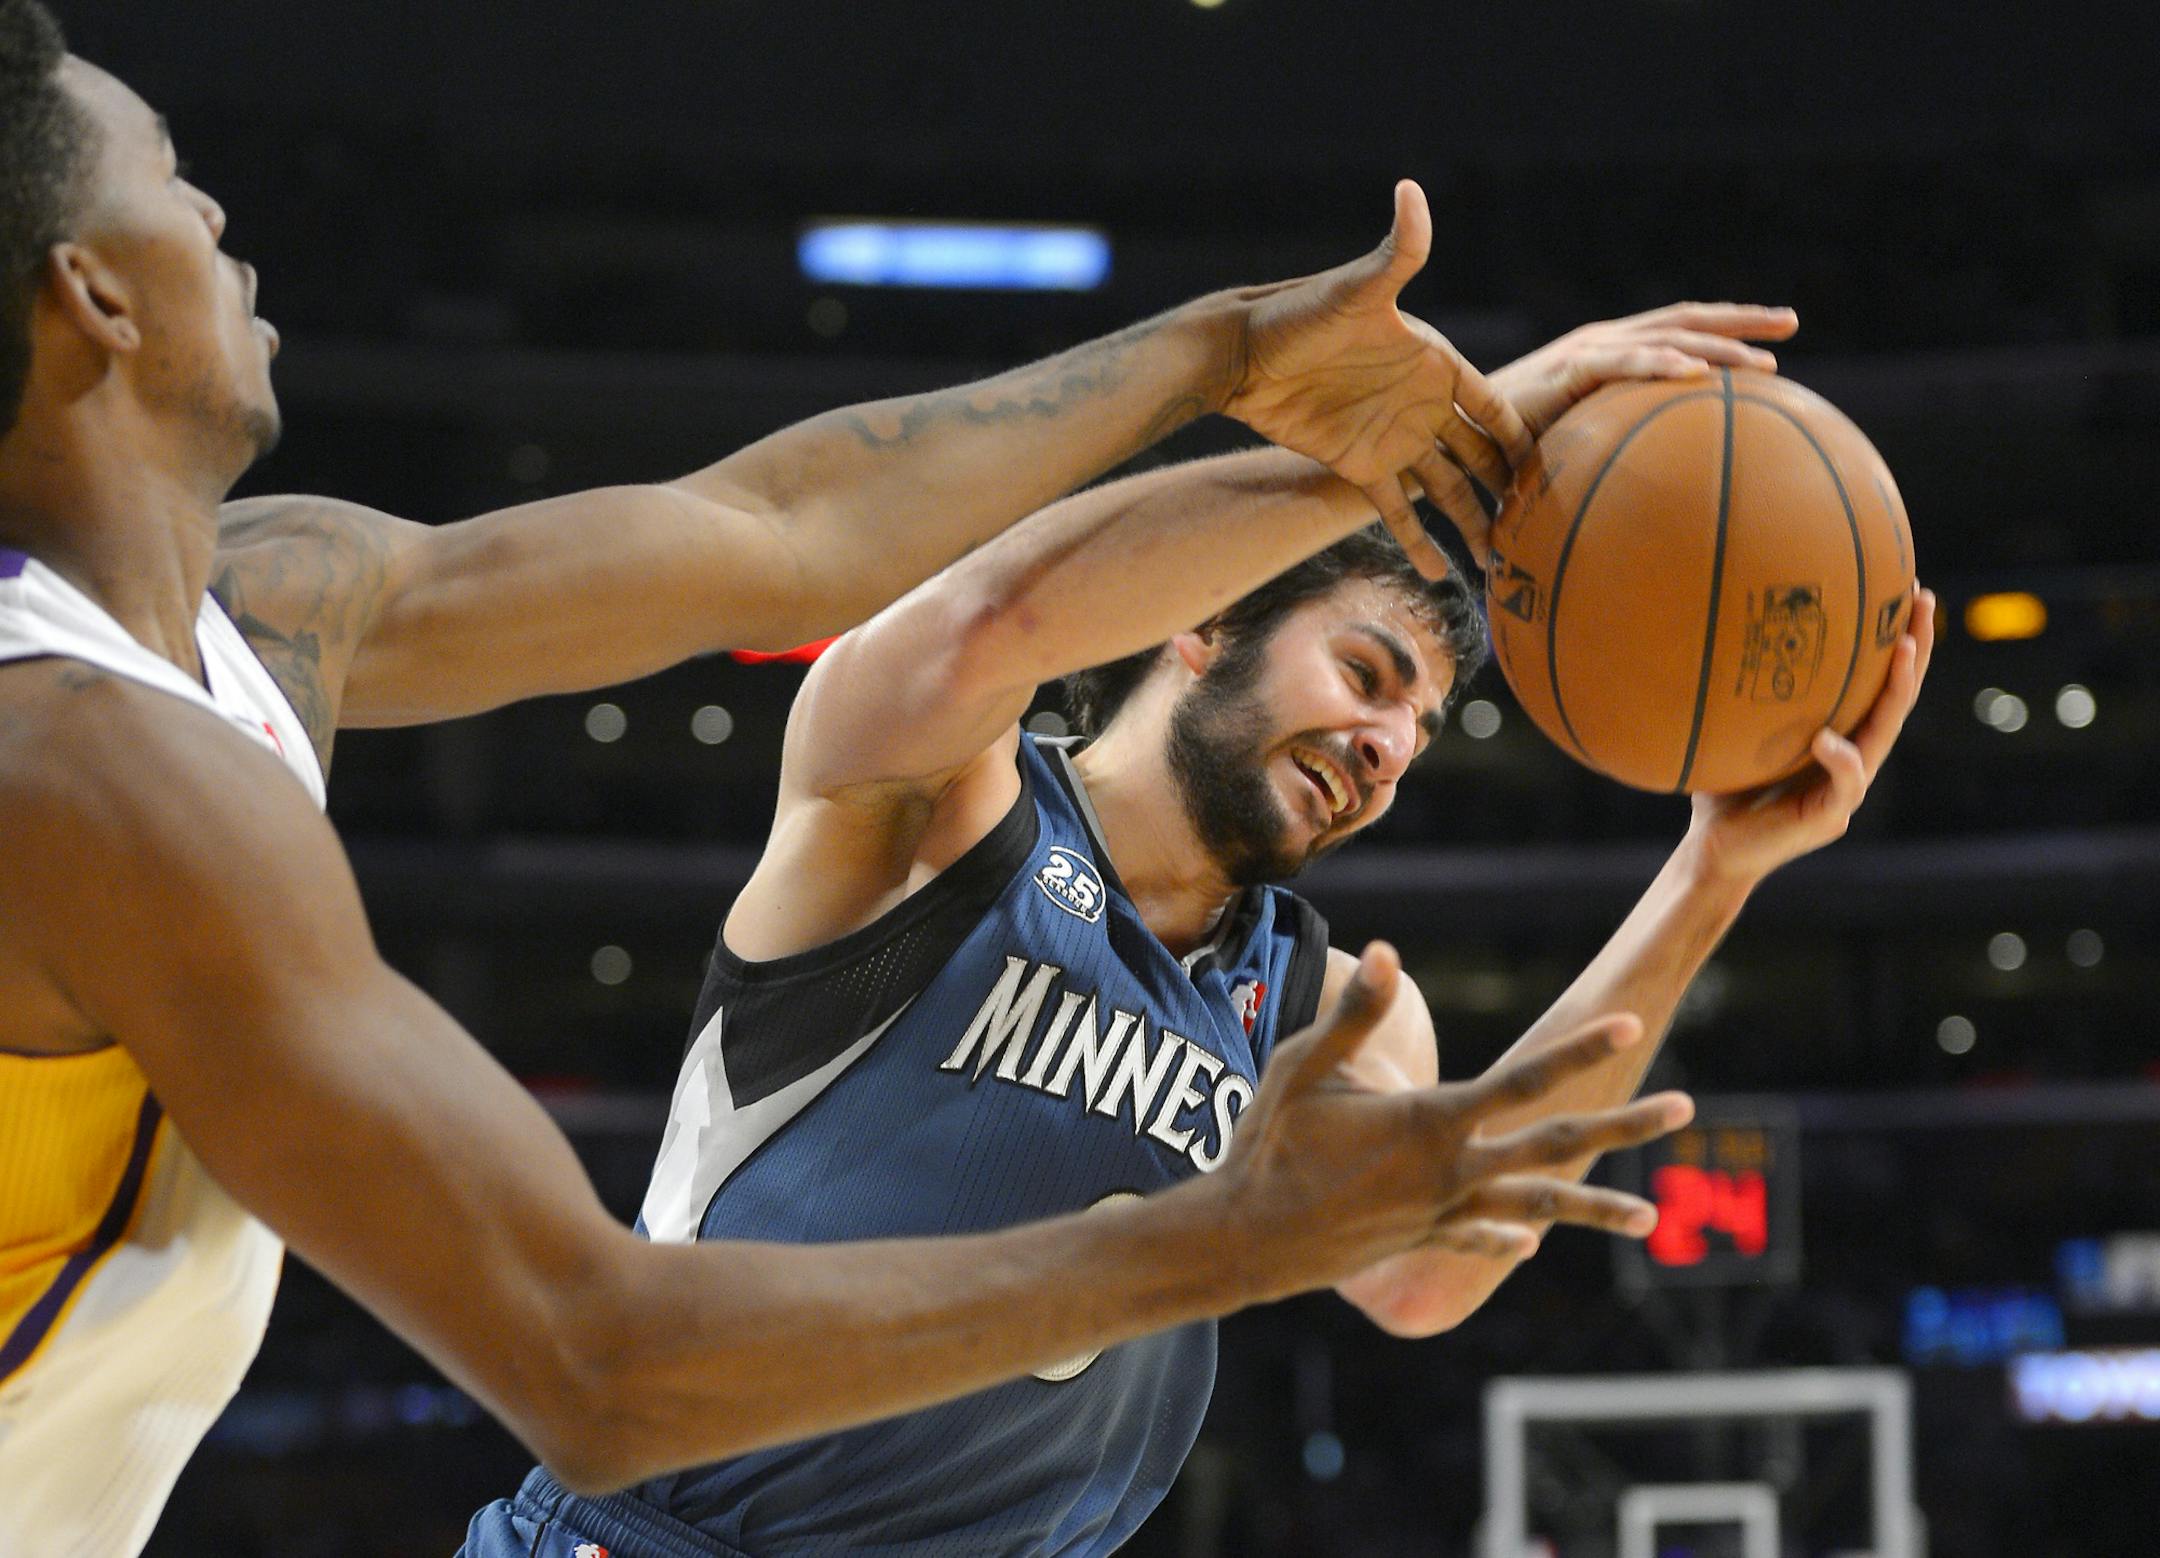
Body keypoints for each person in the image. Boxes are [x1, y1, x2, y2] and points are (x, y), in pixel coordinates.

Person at [0, 6, 1711, 1553]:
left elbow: (787, 529)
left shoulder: (272, 601)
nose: (218, 211)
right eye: (169, 175)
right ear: (89, 290)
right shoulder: (85, 766)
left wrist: (1236, 354)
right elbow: (592, 1361)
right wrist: (1232, 1239)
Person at [460, 401, 1936, 1552]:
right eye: (1366, 674)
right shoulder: (939, 805)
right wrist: (1355, 466)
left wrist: (1712, 872)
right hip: (662, 1535)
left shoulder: (1324, 1002)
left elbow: (1427, 1270)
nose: (1388, 746)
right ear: (1204, 620)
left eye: (1419, 729)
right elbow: (991, 620)